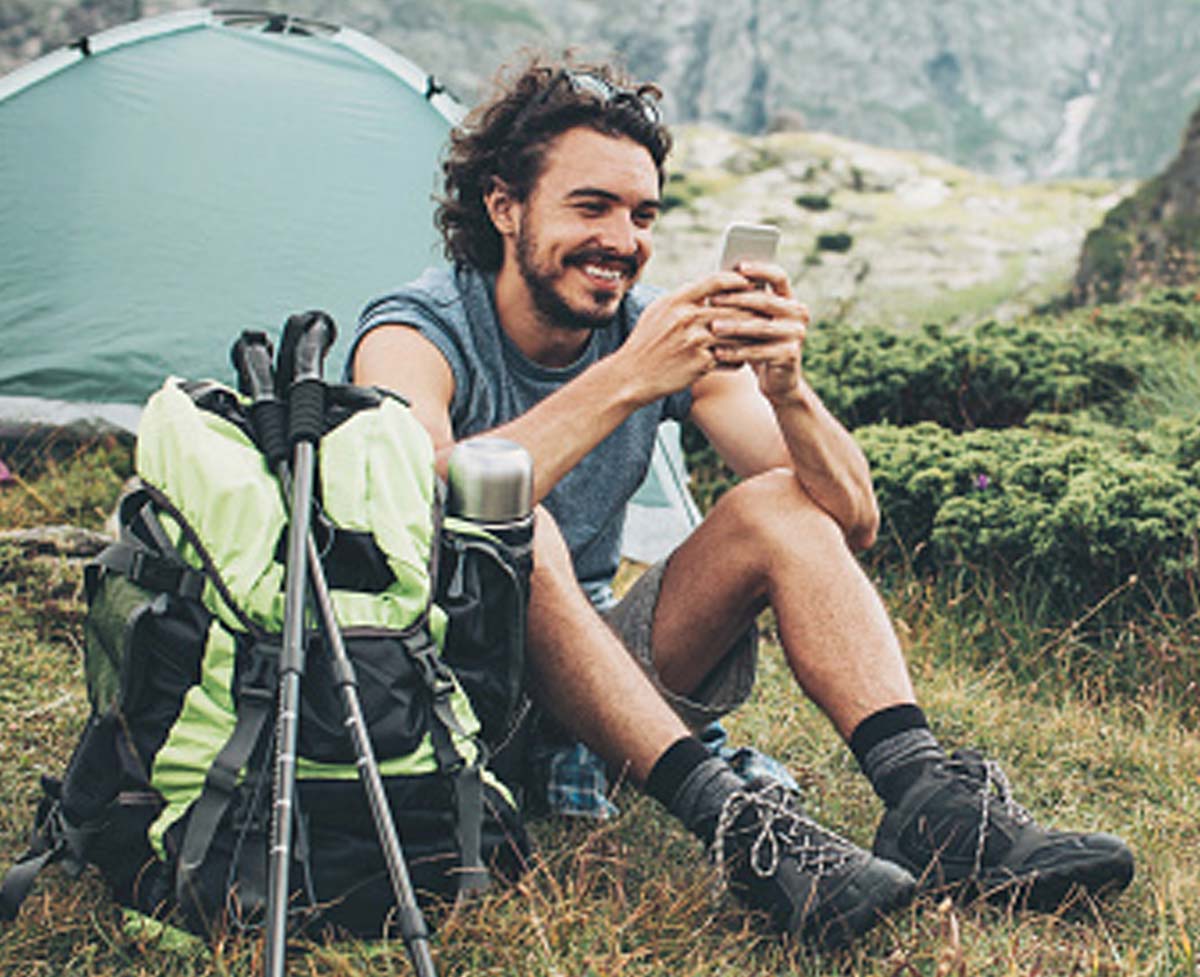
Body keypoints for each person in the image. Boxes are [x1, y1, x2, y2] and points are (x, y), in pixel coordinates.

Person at [348, 55, 1134, 949]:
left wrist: (789, 388)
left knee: (776, 504)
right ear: (503, 206)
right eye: (590, 206)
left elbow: (848, 517)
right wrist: (626, 379)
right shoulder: (416, 332)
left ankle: (936, 807)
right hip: (449, 695)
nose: (622, 237)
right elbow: (416, 503)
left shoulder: (650, 330)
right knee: (517, 520)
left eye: (643, 214)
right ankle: (740, 827)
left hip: (594, 696)